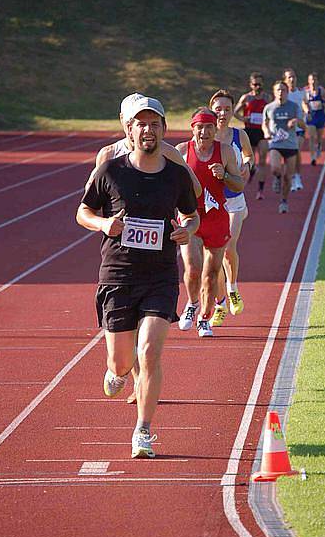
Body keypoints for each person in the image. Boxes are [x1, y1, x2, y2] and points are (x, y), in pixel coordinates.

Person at [76, 96, 199, 459]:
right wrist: (103, 223)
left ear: (163, 129)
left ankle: (143, 430)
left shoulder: (175, 173)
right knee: (122, 363)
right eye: (140, 123)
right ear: (128, 129)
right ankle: (116, 370)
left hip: (160, 275)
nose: (148, 129)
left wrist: (188, 229)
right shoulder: (110, 170)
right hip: (118, 275)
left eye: (154, 123)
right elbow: (83, 211)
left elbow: (192, 215)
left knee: (150, 352)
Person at [176, 108, 244, 338]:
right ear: (192, 128)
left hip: (217, 218)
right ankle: (192, 303)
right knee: (193, 269)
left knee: (211, 273)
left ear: (215, 129)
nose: (204, 132)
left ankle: (205, 318)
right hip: (190, 216)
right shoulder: (182, 151)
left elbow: (239, 185)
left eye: (209, 127)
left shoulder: (224, 152)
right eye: (200, 127)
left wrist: (224, 176)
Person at [209, 89, 254, 327]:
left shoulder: (239, 135)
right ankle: (220, 303)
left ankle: (232, 287)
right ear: (211, 110)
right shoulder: (206, 137)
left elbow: (249, 155)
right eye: (218, 109)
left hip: (235, 199)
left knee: (227, 247)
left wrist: (247, 165)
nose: (223, 113)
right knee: (213, 256)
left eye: (227, 109)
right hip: (212, 202)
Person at [262, 81, 305, 214]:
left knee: (288, 177)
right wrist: (266, 132)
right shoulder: (269, 108)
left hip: (291, 144)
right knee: (275, 168)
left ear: (287, 92)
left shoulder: (294, 107)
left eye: (283, 90)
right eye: (278, 90)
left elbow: (304, 126)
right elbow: (264, 123)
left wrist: (297, 121)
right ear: (274, 92)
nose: (281, 92)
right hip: (275, 143)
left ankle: (284, 201)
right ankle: (277, 177)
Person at [234, 72, 270, 199]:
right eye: (255, 84)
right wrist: (244, 118)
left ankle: (260, 190)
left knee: (262, 160)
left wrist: (268, 122)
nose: (258, 86)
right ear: (251, 85)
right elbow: (234, 112)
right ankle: (252, 170)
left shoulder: (267, 98)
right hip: (249, 131)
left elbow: (272, 113)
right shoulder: (246, 98)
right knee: (249, 160)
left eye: (259, 84)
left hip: (262, 132)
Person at [283, 68, 306, 191]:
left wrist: (307, 110)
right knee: (289, 155)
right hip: (286, 129)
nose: (292, 79)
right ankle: (290, 178)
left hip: (299, 127)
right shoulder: (283, 95)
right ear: (285, 80)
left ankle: (297, 177)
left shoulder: (301, 92)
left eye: (294, 76)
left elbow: (305, 103)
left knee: (296, 150)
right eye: (289, 77)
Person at [303, 72, 325, 165]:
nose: (313, 81)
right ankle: (312, 157)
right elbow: (304, 103)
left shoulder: (321, 90)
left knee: (319, 137)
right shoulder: (305, 91)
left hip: (320, 116)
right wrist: (307, 111)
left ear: (317, 81)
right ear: (308, 81)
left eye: (314, 79)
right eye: (311, 80)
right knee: (311, 137)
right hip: (311, 116)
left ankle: (319, 146)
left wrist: (323, 103)